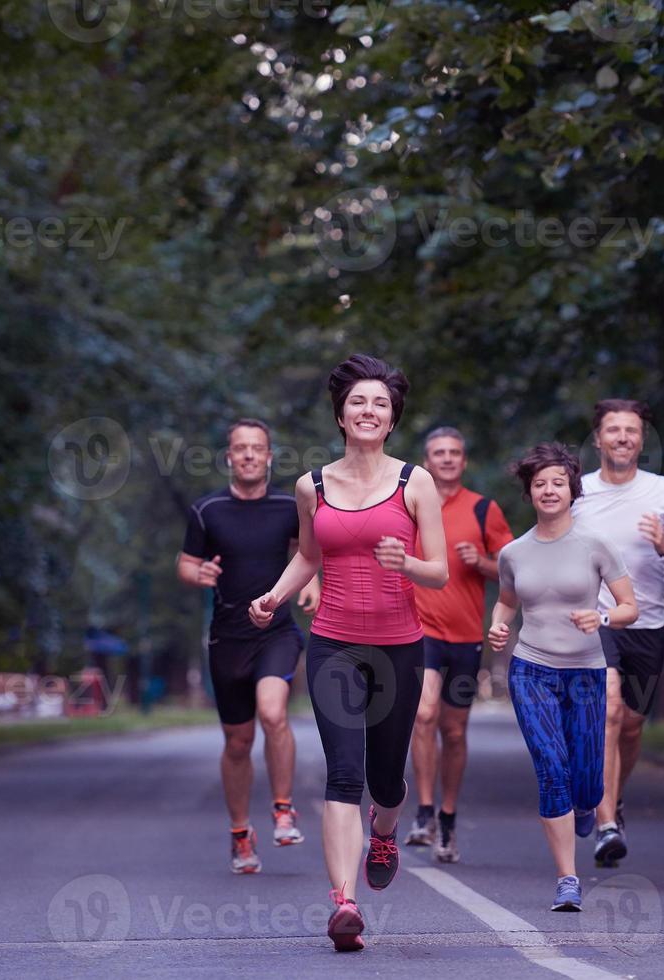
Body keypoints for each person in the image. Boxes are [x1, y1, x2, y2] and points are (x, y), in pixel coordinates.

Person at [249, 354, 448, 952]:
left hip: (400, 648)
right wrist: (275, 596)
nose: (368, 411)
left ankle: (384, 833)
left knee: (387, 779)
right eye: (358, 402)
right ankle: (343, 903)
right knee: (343, 771)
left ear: (392, 420)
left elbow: (437, 572)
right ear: (341, 414)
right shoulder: (311, 486)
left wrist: (404, 562)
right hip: (333, 642)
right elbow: (309, 556)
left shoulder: (416, 482)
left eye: (380, 404)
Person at [488, 443, 636, 912]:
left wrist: (603, 619)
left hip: (586, 673)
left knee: (588, 784)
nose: (549, 490)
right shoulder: (513, 552)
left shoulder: (596, 547)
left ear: (572, 489)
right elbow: (507, 601)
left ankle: (589, 804)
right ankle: (567, 879)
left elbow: (631, 607)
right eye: (539, 484)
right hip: (531, 670)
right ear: (529, 492)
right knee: (552, 771)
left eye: (557, 482)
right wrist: (498, 625)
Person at [177, 418, 321, 874]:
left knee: (273, 711)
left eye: (257, 448)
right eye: (240, 448)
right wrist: (196, 574)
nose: (249, 455)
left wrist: (312, 582)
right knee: (237, 742)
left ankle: (283, 810)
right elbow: (186, 562)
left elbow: (308, 552)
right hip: (227, 639)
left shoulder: (287, 506)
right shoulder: (207, 510)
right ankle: (241, 833)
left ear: (269, 456)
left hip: (276, 631)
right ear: (229, 457)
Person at [570, 398, 664, 867]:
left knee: (631, 724)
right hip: (594, 620)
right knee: (607, 711)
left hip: (647, 622)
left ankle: (614, 801)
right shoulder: (575, 491)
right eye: (613, 429)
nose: (622, 437)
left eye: (631, 430)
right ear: (598, 438)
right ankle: (606, 825)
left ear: (642, 439)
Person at [403, 426, 514, 862]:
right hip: (420, 629)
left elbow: (513, 570)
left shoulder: (484, 509)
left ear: (463, 461)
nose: (446, 459)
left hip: (466, 637)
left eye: (454, 453)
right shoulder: (411, 505)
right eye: (438, 452)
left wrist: (481, 562)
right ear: (426, 461)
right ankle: (424, 811)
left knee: (454, 730)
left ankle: (447, 817)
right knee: (423, 713)